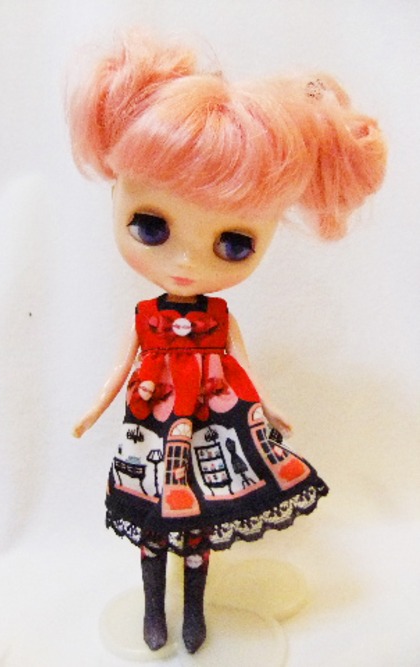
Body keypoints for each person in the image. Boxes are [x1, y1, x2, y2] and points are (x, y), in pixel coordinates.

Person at [66, 30, 386, 654]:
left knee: (200, 526)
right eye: (151, 226)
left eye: (233, 243)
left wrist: (269, 405)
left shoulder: (218, 316)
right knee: (151, 525)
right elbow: (121, 367)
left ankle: (194, 615)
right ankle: (154, 611)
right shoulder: (146, 316)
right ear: (118, 195)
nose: (188, 263)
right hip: (153, 427)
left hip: (215, 426)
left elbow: (244, 363)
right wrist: (95, 408)